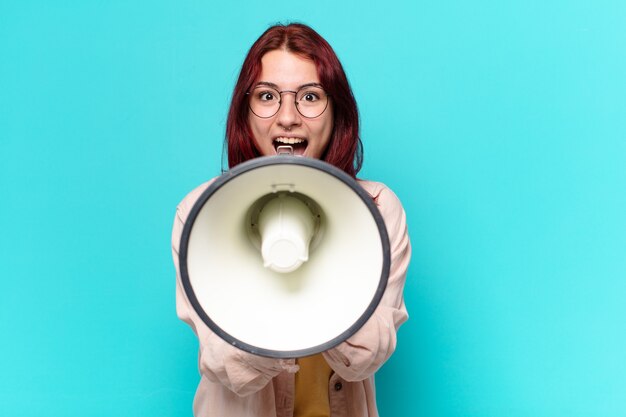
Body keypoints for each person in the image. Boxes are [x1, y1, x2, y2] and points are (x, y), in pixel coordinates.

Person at [171, 23, 411, 417]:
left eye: (310, 97)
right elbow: (227, 366)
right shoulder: (200, 214)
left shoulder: (378, 210)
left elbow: (365, 358)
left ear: (337, 112)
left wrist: (315, 267)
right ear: (244, 112)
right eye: (267, 96)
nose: (287, 118)